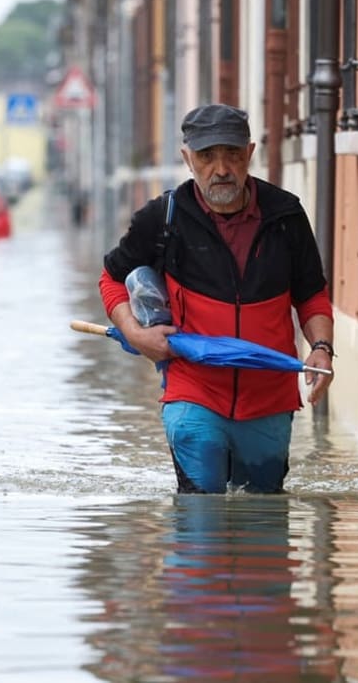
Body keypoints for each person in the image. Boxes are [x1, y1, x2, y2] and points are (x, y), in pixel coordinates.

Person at [98, 103, 334, 494]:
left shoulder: (286, 215)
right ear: (187, 159)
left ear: (250, 154)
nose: (221, 169)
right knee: (200, 516)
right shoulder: (163, 217)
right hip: (193, 393)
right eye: (207, 156)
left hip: (269, 398)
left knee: (264, 521)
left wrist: (322, 347)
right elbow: (112, 279)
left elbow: (311, 293)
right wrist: (136, 335)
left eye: (233, 155)